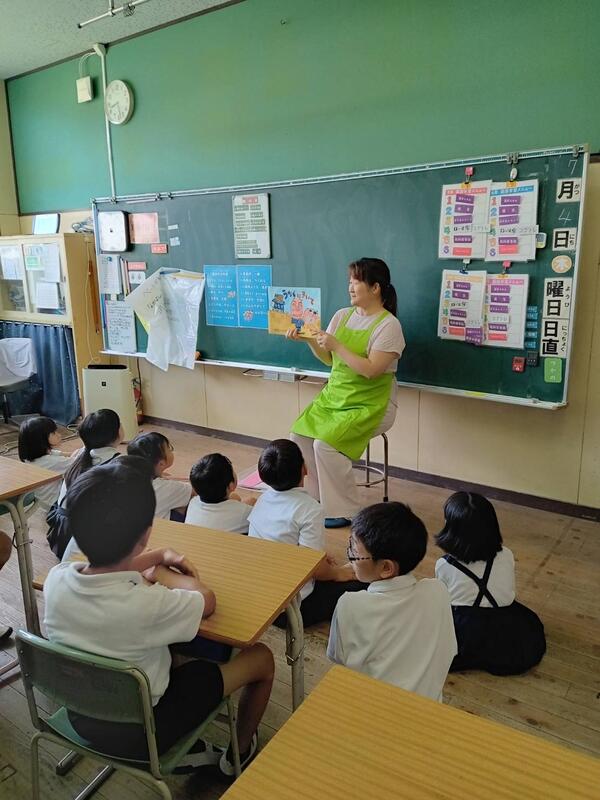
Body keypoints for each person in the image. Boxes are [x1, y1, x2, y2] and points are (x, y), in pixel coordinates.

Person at [43, 456, 274, 775]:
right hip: (144, 733)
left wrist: (158, 556)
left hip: (80, 714)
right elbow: (206, 600)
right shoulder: (147, 604)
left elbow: (111, 569)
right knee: (261, 657)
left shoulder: (56, 579)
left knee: (164, 648)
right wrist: (164, 572)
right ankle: (238, 755)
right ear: (146, 532)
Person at [289, 257, 405, 528]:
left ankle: (345, 509)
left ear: (375, 287)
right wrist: (308, 340)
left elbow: (371, 370)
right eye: (349, 281)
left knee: (325, 444)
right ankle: (318, 499)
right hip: (335, 397)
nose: (350, 287)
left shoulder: (389, 326)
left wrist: (338, 345)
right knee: (299, 435)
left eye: (356, 282)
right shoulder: (342, 315)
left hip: (371, 404)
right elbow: (329, 360)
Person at [327, 502, 457, 701]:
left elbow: (338, 658)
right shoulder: (438, 591)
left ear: (386, 568)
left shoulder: (350, 604)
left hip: (372, 708)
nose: (351, 557)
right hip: (429, 708)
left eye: (355, 552)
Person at [248, 439, 365, 628]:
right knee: (363, 579)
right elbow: (314, 570)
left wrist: (319, 558)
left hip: (261, 601)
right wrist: (338, 573)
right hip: (291, 611)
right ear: (304, 468)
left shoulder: (263, 499)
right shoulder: (310, 509)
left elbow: (282, 543)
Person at [435, 492, 546, 675]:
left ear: (451, 529)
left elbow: (445, 600)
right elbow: (507, 592)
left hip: (464, 628)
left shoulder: (444, 565)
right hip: (503, 624)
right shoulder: (506, 555)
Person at [59, 409, 122, 561]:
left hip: (61, 534)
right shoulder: (119, 463)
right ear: (117, 432)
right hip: (86, 539)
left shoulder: (80, 456)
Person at [127, 431, 192, 520]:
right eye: (169, 449)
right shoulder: (166, 487)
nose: (171, 451)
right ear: (161, 464)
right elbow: (195, 490)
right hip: (156, 527)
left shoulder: (127, 475)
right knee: (188, 502)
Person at [186, 453, 255, 534]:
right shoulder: (245, 512)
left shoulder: (193, 502)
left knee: (234, 496)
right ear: (231, 486)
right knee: (251, 500)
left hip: (198, 539)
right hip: (225, 541)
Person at [18, 416, 71, 512]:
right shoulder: (52, 462)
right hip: (55, 503)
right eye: (54, 433)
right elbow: (79, 462)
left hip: (42, 500)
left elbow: (54, 453)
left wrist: (69, 454)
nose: (59, 435)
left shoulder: (31, 457)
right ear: (40, 440)